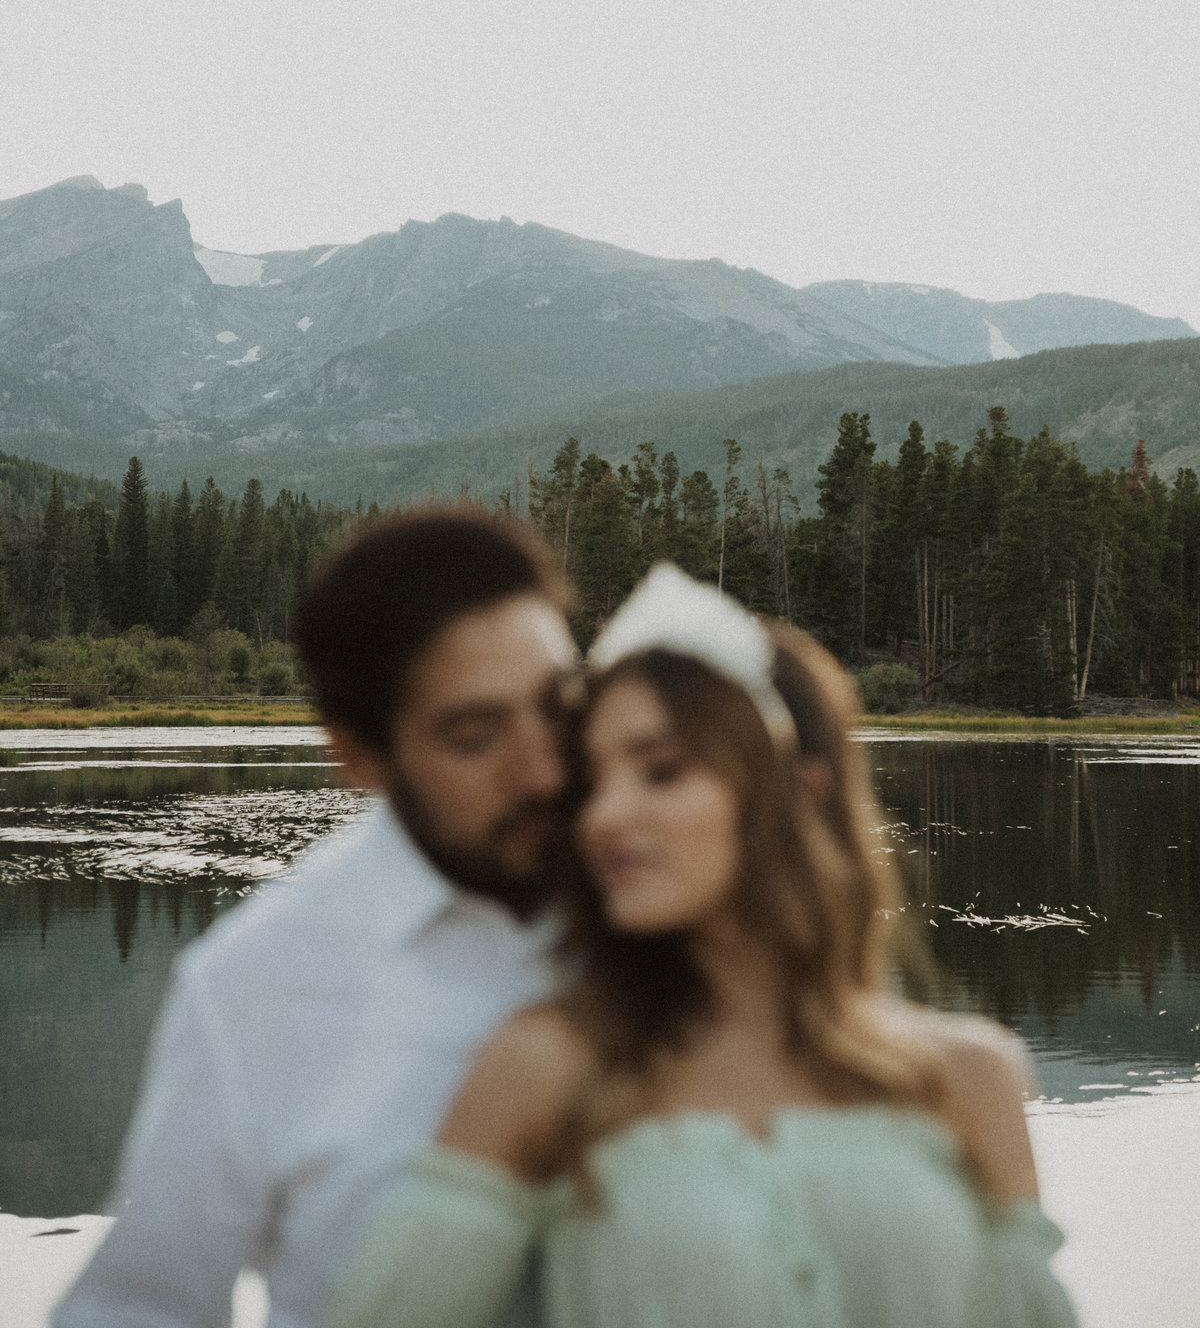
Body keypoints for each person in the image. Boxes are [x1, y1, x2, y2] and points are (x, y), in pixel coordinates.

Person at [323, 563, 1078, 1328]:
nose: (604, 817)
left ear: (801, 791)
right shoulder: (548, 1068)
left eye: (662, 770)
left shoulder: (970, 1078)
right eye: (591, 782)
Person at [55, 507, 579, 1328]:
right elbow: (140, 1312)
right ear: (358, 757)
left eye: (561, 704)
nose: (546, 768)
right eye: (476, 736)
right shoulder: (254, 988)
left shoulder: (682, 910)